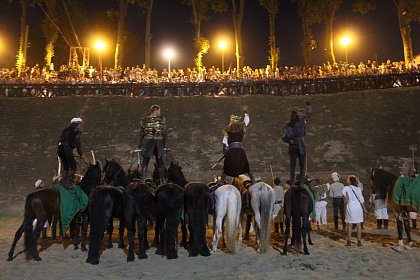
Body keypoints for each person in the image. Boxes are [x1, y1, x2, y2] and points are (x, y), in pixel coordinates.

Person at [282, 101, 312, 187]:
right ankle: (302, 183)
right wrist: (309, 107)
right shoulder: (301, 122)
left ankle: (292, 183)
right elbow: (308, 115)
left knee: (293, 166)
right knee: (302, 166)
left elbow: (283, 136)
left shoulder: (287, 125)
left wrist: (289, 141)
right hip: (301, 145)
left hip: (292, 146)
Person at [220, 112, 254, 183]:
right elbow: (246, 122)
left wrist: (226, 152)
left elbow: (224, 149)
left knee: (225, 168)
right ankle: (253, 180)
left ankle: (221, 182)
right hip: (240, 151)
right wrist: (246, 115)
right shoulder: (241, 131)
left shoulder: (226, 134)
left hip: (231, 152)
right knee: (247, 167)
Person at [138, 105, 167, 184]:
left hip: (147, 141)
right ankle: (162, 180)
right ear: (156, 111)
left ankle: (142, 180)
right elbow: (164, 133)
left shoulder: (144, 120)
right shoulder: (162, 120)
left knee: (145, 161)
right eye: (159, 111)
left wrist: (139, 144)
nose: (160, 112)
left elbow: (141, 133)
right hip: (158, 142)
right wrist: (164, 144)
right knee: (160, 161)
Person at [57, 117, 83, 191]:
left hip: (60, 148)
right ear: (77, 124)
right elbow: (78, 143)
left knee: (66, 167)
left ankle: (63, 182)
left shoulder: (65, 129)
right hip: (66, 148)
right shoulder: (76, 130)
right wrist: (81, 154)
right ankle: (69, 184)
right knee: (73, 167)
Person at [343, 175, 367, 246]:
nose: (347, 180)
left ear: (350, 181)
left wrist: (344, 202)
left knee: (349, 225)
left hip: (351, 206)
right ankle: (359, 241)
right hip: (358, 207)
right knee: (358, 224)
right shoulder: (358, 189)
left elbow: (346, 200)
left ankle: (349, 241)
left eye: (348, 179)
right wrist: (364, 209)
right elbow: (361, 200)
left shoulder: (346, 188)